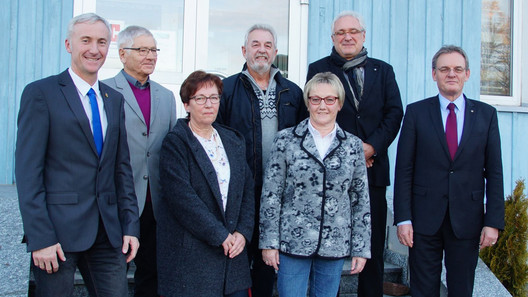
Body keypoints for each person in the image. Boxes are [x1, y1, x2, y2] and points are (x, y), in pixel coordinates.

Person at [15, 13, 140, 297]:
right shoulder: (41, 94)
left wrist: (130, 226)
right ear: (68, 44)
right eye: (86, 40)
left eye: (101, 42)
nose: (94, 49)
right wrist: (40, 237)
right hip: (57, 235)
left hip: (108, 234)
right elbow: (27, 172)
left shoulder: (114, 99)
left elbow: (122, 169)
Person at [394, 45, 504, 297]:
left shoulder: (486, 115)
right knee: (422, 290)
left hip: (467, 219)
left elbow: (495, 172)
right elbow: (404, 169)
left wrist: (493, 221)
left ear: (467, 73)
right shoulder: (416, 112)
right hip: (423, 220)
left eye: (457, 69)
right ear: (434, 74)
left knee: (461, 289)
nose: (451, 74)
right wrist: (403, 218)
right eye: (444, 69)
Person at [306, 11, 403, 297]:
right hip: (331, 175)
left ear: (363, 35)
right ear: (333, 38)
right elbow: (316, 113)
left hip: (373, 171)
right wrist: (350, 152)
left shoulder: (383, 70)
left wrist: (371, 147)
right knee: (329, 246)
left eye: (353, 31)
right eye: (340, 33)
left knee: (370, 247)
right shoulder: (318, 68)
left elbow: (394, 113)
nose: (347, 37)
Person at [259, 72, 371, 297]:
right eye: (315, 99)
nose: (323, 106)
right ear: (307, 102)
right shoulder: (286, 140)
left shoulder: (352, 146)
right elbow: (271, 194)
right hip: (292, 241)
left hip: (334, 244)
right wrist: (269, 242)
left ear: (339, 104)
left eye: (330, 99)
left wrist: (361, 248)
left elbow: (360, 200)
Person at [216, 24, 307, 297]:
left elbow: (303, 138)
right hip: (240, 190)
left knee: (269, 260)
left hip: (280, 193)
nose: (261, 50)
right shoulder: (227, 89)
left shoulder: (292, 92)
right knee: (237, 257)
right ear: (244, 50)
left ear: (276, 52)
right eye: (255, 44)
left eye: (268, 45)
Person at [157, 71, 255, 297]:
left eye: (214, 97)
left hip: (233, 256)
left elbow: (247, 191)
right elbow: (183, 200)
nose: (208, 104)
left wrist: (243, 232)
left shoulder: (233, 139)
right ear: (186, 104)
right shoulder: (176, 143)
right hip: (192, 259)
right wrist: (220, 235)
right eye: (200, 98)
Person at [103, 25, 176, 297]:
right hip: (118, 202)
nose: (151, 56)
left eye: (154, 50)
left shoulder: (166, 97)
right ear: (122, 54)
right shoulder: (105, 90)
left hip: (155, 204)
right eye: (142, 49)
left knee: (151, 274)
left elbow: (169, 151)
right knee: (112, 275)